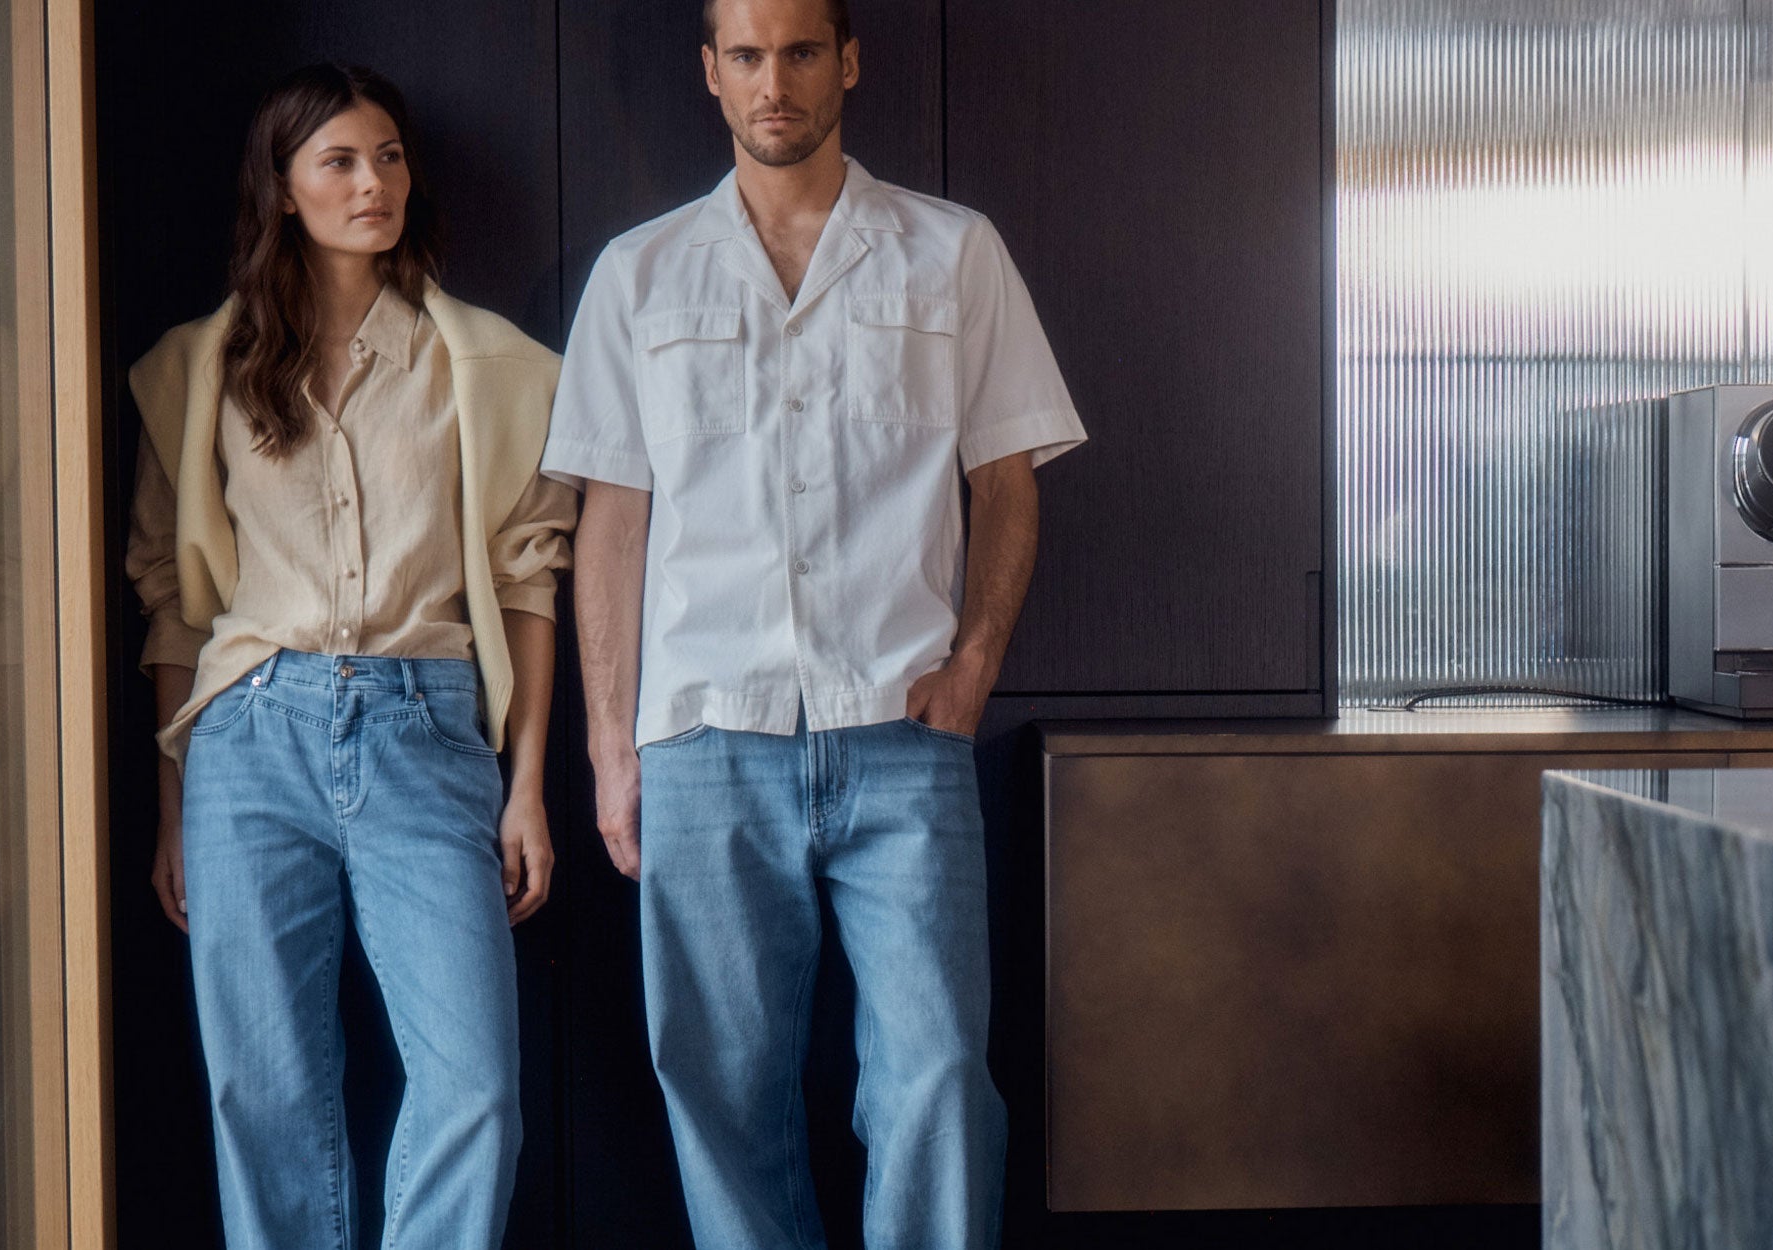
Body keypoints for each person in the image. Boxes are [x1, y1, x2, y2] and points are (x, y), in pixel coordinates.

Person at [541, 0, 1086, 1243]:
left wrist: (976, 664)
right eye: (746, 55)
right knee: (719, 1087)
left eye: (797, 51)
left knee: (940, 1079)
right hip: (705, 737)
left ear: (846, 61)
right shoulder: (640, 272)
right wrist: (610, 745)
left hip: (902, 734)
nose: (772, 81)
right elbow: (610, 523)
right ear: (710, 74)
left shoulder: (953, 252)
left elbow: (1006, 476)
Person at [125, 63, 576, 1250]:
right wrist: (173, 804)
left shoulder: (488, 368)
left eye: (387, 156)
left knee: (475, 1080)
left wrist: (526, 785)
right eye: (338, 160)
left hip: (425, 727)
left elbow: (531, 578)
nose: (371, 181)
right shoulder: (195, 372)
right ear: (282, 188)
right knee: (262, 1092)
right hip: (246, 734)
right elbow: (171, 600)